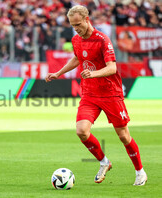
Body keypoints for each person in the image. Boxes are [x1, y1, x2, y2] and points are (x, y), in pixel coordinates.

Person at [45, 5, 147, 186]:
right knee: (81, 131)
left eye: (78, 24)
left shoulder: (102, 40)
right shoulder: (76, 39)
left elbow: (112, 67)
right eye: (72, 25)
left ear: (86, 19)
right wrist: (58, 73)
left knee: (123, 136)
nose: (76, 28)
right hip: (90, 93)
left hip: (110, 93)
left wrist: (94, 73)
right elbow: (77, 59)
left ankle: (140, 171)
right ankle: (104, 162)